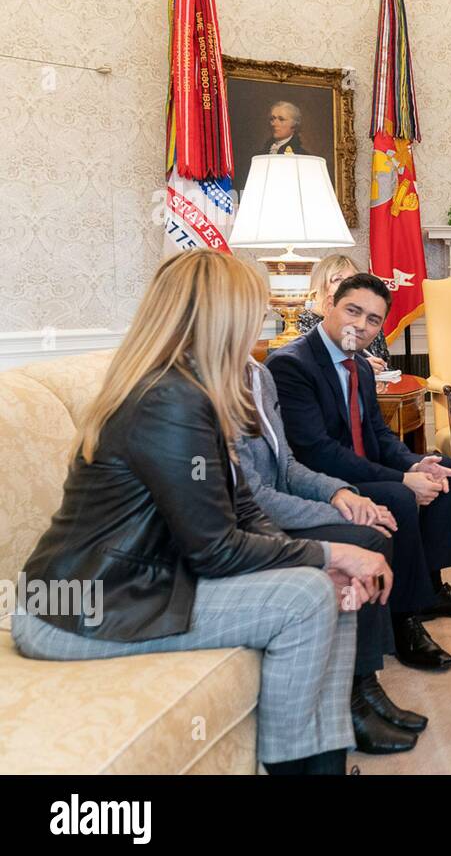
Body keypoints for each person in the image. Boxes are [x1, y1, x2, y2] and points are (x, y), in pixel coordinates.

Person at [12, 249, 392, 775]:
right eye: (249, 313)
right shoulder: (166, 401)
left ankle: (322, 764)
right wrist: (331, 551)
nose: (257, 328)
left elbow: (243, 509)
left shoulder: (196, 391)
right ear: (217, 318)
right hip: (80, 606)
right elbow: (215, 548)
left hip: (148, 581)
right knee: (309, 594)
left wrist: (324, 560)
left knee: (332, 587)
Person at [268, 273, 451, 675]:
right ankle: (404, 619)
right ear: (329, 306)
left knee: (442, 470)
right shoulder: (292, 365)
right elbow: (318, 452)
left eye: (373, 320)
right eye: (352, 310)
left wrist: (412, 463)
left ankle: (431, 589)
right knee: (401, 497)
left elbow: (376, 432)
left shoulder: (357, 362)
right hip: (323, 482)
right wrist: (401, 480)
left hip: (358, 465)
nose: (361, 325)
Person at [236, 358, 425, 755]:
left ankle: (366, 687)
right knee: (365, 537)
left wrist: (341, 493)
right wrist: (337, 510)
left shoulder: (259, 375)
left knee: (371, 530)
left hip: (279, 506)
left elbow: (286, 465)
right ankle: (354, 703)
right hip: (254, 524)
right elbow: (252, 497)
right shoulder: (210, 388)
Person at [298, 254, 391, 370]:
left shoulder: (371, 320)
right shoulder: (305, 321)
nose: (345, 285)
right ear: (322, 286)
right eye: (337, 279)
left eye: (351, 280)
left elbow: (385, 362)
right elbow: (312, 366)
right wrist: (361, 367)